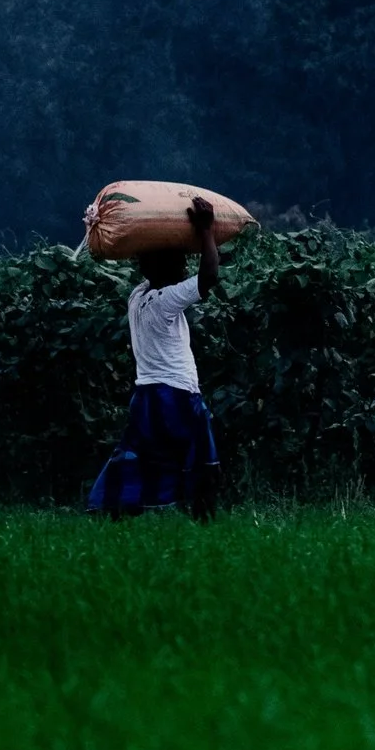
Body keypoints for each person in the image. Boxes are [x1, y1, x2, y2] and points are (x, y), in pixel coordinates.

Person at [87, 197, 222, 520]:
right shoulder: (165, 301)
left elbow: (165, 272)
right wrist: (205, 231)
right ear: (162, 267)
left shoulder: (138, 297)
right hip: (176, 395)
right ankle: (206, 526)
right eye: (177, 263)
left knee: (138, 459)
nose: (183, 268)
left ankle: (108, 508)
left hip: (146, 397)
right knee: (202, 463)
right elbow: (209, 276)